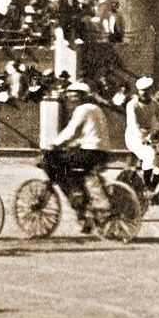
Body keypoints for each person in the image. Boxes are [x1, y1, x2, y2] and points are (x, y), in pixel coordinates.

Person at [45, 82, 111, 229]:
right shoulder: (97, 109)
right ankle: (84, 209)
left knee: (50, 160)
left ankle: (76, 197)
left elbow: (71, 130)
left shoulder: (83, 109)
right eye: (70, 96)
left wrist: (54, 144)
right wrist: (76, 143)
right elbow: (91, 133)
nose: (72, 99)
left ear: (83, 97)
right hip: (102, 153)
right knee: (76, 171)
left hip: (89, 152)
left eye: (75, 96)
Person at [124, 77, 159, 197]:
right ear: (138, 91)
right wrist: (142, 138)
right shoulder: (132, 105)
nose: (145, 93)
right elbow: (132, 124)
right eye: (142, 90)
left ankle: (152, 190)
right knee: (150, 155)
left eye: (147, 90)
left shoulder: (154, 103)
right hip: (133, 138)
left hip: (148, 137)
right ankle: (147, 188)